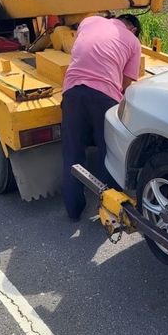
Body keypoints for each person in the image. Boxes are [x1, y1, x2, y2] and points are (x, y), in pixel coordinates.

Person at [61, 14, 142, 221]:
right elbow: (125, 85)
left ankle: (74, 211)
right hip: (104, 97)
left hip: (72, 92)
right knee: (110, 155)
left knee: (72, 154)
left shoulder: (90, 21)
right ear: (132, 29)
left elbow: (81, 49)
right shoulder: (133, 41)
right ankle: (109, 212)